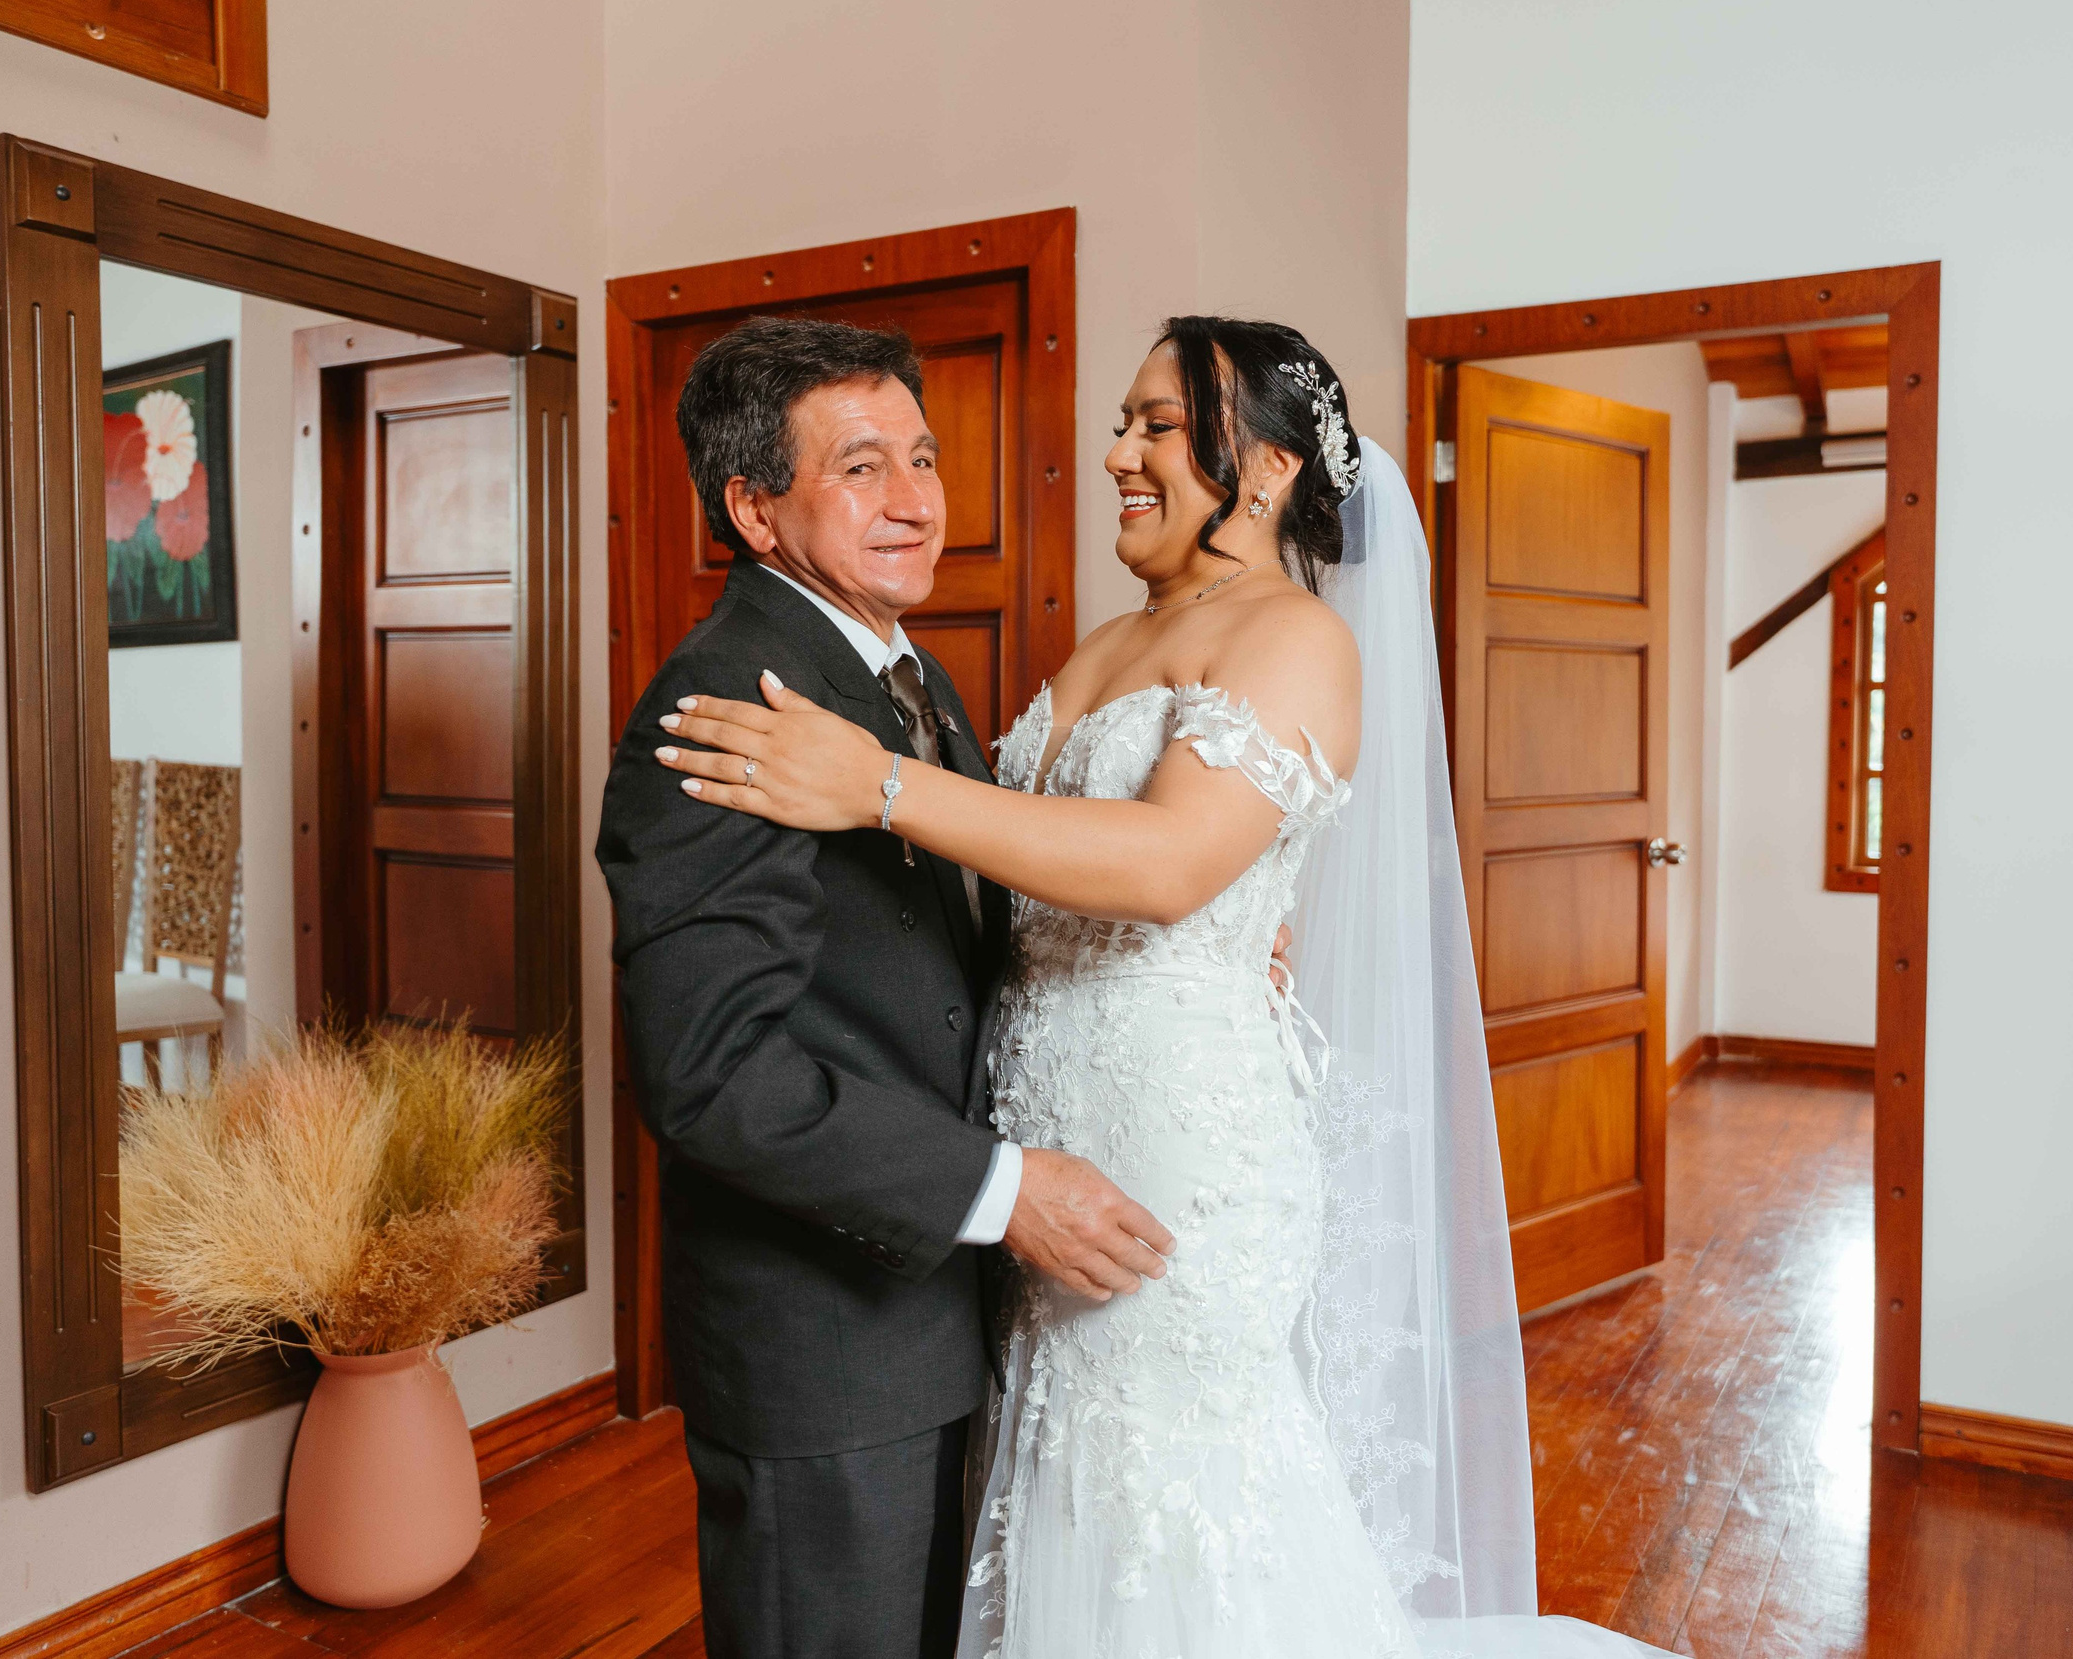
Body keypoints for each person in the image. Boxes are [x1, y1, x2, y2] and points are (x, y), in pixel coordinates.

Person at [653, 317, 1672, 1656]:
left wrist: (881, 787)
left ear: (1261, 470)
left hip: (1182, 1142)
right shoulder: (1106, 646)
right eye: (1124, 423)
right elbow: (1026, 881)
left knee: (1172, 1495)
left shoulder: (1297, 636)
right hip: (1041, 1140)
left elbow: (1171, 861)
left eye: (1158, 427)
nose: (1120, 454)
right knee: (1064, 1486)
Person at [595, 316, 1180, 1659]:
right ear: (754, 508)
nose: (917, 499)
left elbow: (939, 950)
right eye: (863, 468)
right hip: (822, 1351)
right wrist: (1006, 1191)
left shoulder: (900, 678)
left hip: (935, 1313)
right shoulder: (721, 712)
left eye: (922, 457)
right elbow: (714, 1076)